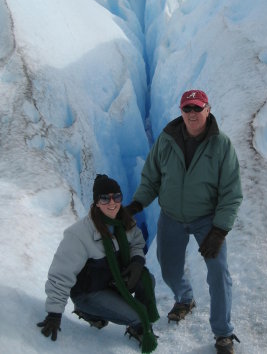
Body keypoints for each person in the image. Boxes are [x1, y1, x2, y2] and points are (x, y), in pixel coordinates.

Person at [125, 90, 243, 354]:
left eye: (197, 108)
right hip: (172, 217)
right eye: (187, 109)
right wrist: (137, 204)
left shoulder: (221, 145)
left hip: (207, 220)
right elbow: (151, 177)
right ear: (181, 111)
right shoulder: (167, 141)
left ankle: (223, 333)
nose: (192, 114)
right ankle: (185, 298)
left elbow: (231, 192)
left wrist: (220, 230)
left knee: (218, 273)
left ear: (208, 109)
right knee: (168, 269)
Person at [37, 174, 159, 354]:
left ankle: (134, 325)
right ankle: (94, 312)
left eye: (116, 197)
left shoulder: (125, 222)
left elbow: (138, 243)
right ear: (96, 202)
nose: (112, 203)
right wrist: (54, 313)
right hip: (89, 292)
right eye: (105, 198)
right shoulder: (79, 234)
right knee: (137, 316)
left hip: (112, 282)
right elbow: (61, 274)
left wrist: (137, 261)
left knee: (147, 279)